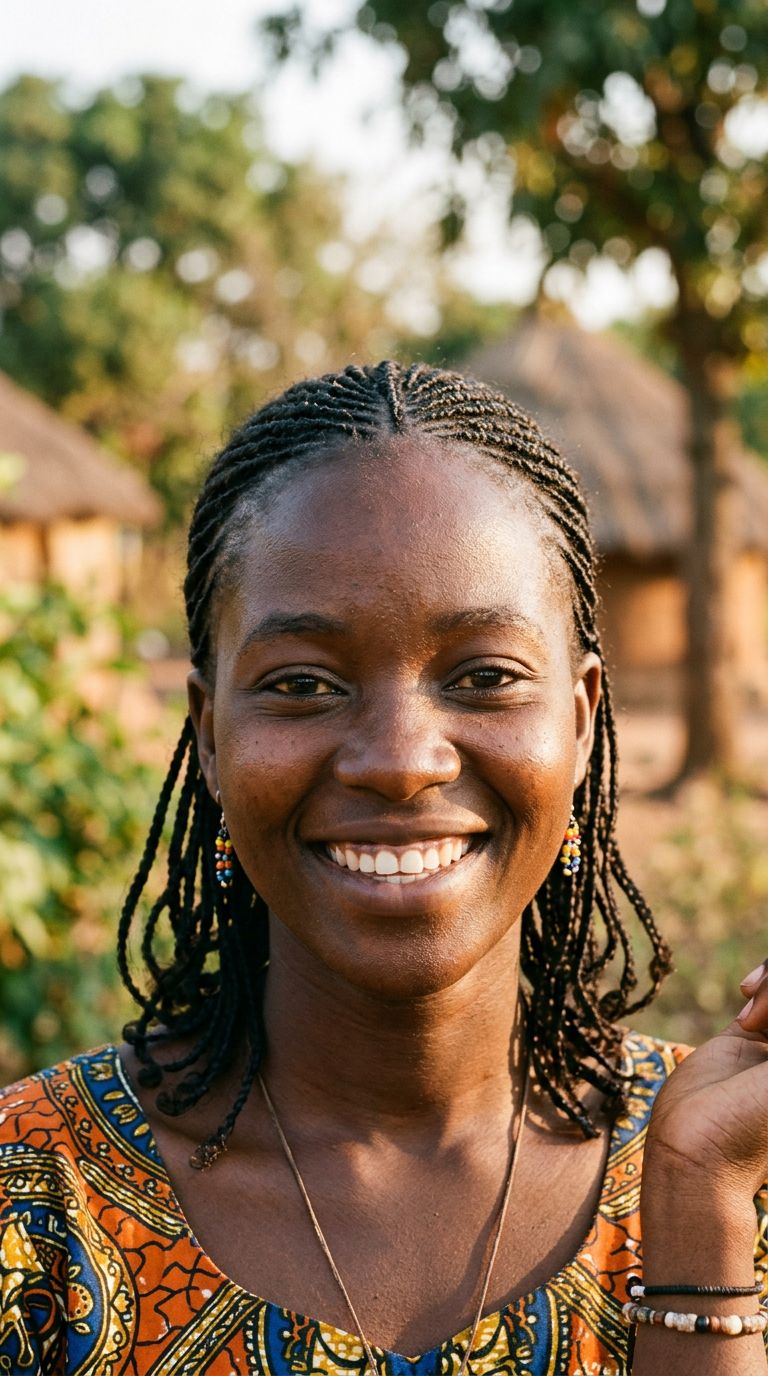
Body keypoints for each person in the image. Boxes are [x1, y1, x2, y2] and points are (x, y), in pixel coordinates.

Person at [1, 360, 768, 1376]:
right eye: (304, 682)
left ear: (581, 720)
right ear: (211, 734)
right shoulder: (34, 1212)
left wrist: (700, 1212)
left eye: (486, 676)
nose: (402, 758)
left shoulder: (736, 1164)